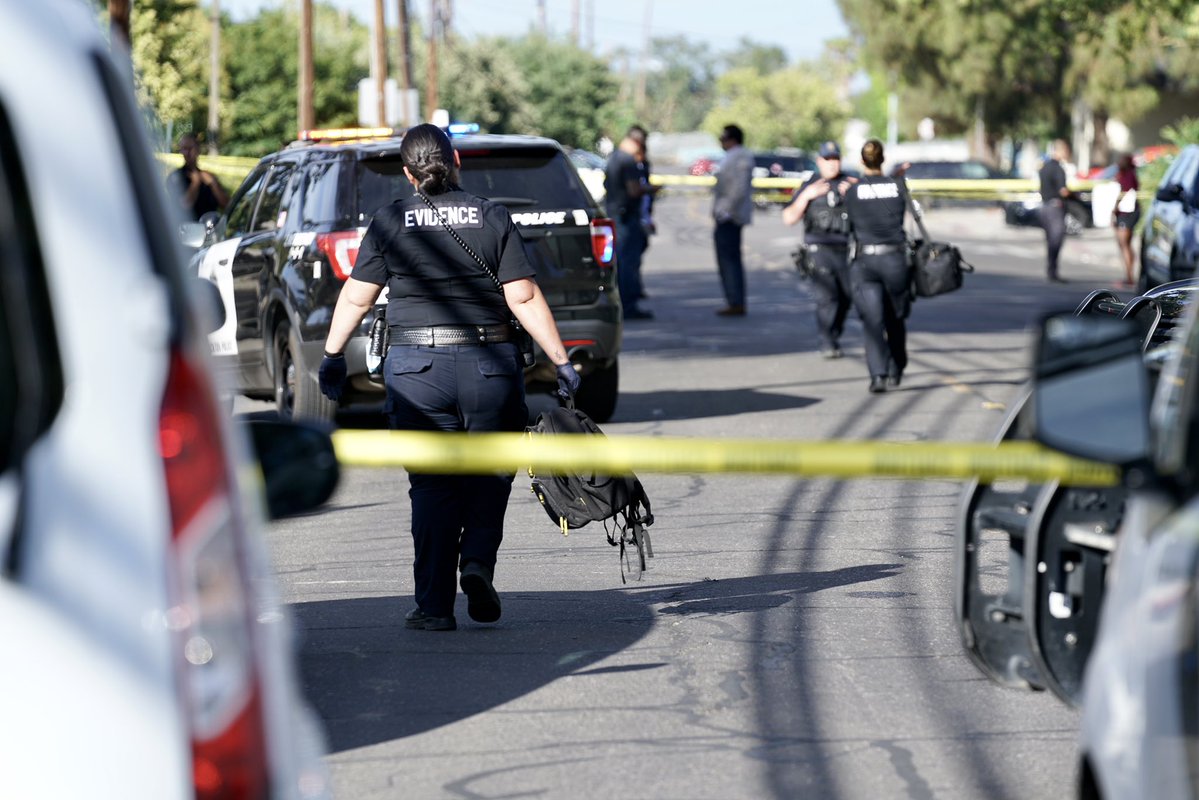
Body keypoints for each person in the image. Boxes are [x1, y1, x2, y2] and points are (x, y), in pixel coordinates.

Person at [316, 124, 580, 632]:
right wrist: (561, 360)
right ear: (456, 161)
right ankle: (477, 562)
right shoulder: (492, 215)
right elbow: (521, 296)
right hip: (490, 366)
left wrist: (331, 355)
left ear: (408, 173)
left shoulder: (390, 219)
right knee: (491, 473)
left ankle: (434, 606)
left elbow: (357, 296)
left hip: (416, 372)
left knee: (432, 488)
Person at [842, 138, 912, 394]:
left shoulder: (852, 191)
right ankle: (897, 367)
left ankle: (877, 375)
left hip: (865, 262)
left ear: (862, 161)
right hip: (894, 260)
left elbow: (848, 226)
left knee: (873, 320)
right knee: (895, 318)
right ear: (882, 159)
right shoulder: (898, 187)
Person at [783, 140, 854, 358]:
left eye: (835, 159)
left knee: (846, 298)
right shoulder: (810, 185)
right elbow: (788, 218)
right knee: (827, 298)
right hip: (818, 249)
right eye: (827, 159)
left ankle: (834, 333)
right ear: (819, 161)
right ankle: (827, 341)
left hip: (847, 249)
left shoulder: (851, 183)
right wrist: (806, 196)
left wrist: (855, 195)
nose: (832, 164)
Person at [603, 128, 659, 319]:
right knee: (628, 262)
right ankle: (629, 305)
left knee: (622, 261)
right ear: (638, 142)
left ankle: (623, 302)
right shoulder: (628, 161)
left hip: (616, 215)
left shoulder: (615, 158)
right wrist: (651, 189)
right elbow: (634, 190)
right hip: (626, 218)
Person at [712, 124, 754, 316]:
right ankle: (732, 299)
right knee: (725, 260)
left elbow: (739, 188)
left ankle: (736, 301)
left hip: (731, 217)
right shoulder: (731, 157)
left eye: (724, 138)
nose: (721, 142)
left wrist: (726, 211)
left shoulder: (741, 156)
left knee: (730, 261)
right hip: (725, 215)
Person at [166, 133, 228, 221]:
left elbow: (227, 205)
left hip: (210, 229)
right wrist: (195, 183)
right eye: (183, 149)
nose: (187, 153)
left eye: (190, 148)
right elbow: (184, 206)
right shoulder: (175, 177)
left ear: (198, 150)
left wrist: (214, 184)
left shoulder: (208, 177)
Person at [1039, 139, 1072, 283]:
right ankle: (1053, 271)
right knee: (1056, 240)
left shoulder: (1044, 167)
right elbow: (1063, 191)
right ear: (1061, 151)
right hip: (1056, 207)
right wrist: (1074, 196)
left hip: (1045, 207)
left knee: (1050, 240)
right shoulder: (1058, 169)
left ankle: (1051, 269)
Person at [1112, 152, 1140, 287]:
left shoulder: (1128, 175)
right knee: (1124, 244)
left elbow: (1125, 193)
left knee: (1125, 244)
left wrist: (1115, 207)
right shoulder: (1123, 174)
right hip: (1123, 213)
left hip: (1127, 213)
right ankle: (1128, 275)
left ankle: (1130, 277)